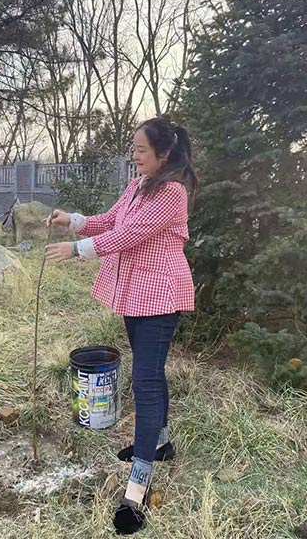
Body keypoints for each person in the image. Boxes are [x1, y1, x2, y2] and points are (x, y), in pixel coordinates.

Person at [45, 117, 197, 533]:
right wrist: (71, 220)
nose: (134, 155)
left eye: (141, 150)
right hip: (135, 293)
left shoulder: (172, 194)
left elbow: (126, 237)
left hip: (161, 297)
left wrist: (76, 250)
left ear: (163, 154)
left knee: (145, 381)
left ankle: (138, 487)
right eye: (133, 149)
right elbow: (111, 221)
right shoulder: (136, 187)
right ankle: (161, 440)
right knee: (151, 373)